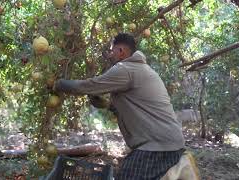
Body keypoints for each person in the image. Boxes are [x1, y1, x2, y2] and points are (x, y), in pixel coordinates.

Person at [53, 33, 186, 180]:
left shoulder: (125, 69)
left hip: (157, 146)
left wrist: (58, 84)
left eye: (112, 50)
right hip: (168, 143)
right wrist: (108, 105)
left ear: (121, 51)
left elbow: (88, 86)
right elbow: (139, 108)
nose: (110, 55)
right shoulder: (143, 69)